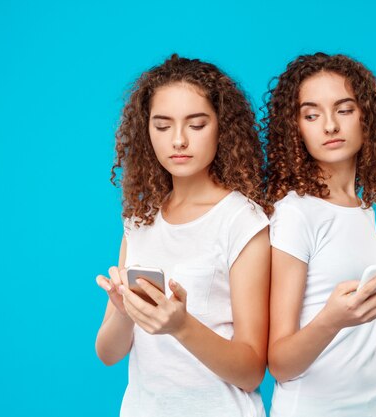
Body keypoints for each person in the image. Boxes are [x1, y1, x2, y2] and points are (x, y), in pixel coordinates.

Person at [95, 54, 271, 417]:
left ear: (221, 127)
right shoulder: (139, 220)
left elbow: (252, 371)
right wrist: (123, 309)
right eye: (162, 126)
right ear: (146, 132)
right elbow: (108, 354)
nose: (178, 140)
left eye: (196, 124)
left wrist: (181, 326)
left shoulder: (242, 220)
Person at [265, 52, 376, 417]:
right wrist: (333, 319)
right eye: (311, 115)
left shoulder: (361, 208)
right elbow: (279, 362)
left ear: (366, 118)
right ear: (296, 129)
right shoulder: (295, 213)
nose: (329, 126)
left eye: (343, 109)